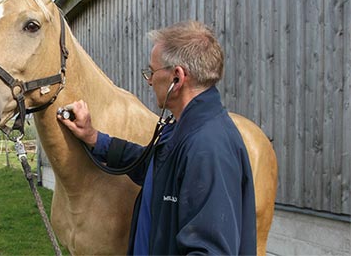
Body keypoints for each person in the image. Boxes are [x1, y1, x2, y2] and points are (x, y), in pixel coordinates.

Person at [58, 20, 257, 255]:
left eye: (152, 72)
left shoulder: (208, 146)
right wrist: (93, 137)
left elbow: (210, 250)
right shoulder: (181, 128)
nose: (150, 81)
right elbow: (152, 168)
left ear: (177, 78)